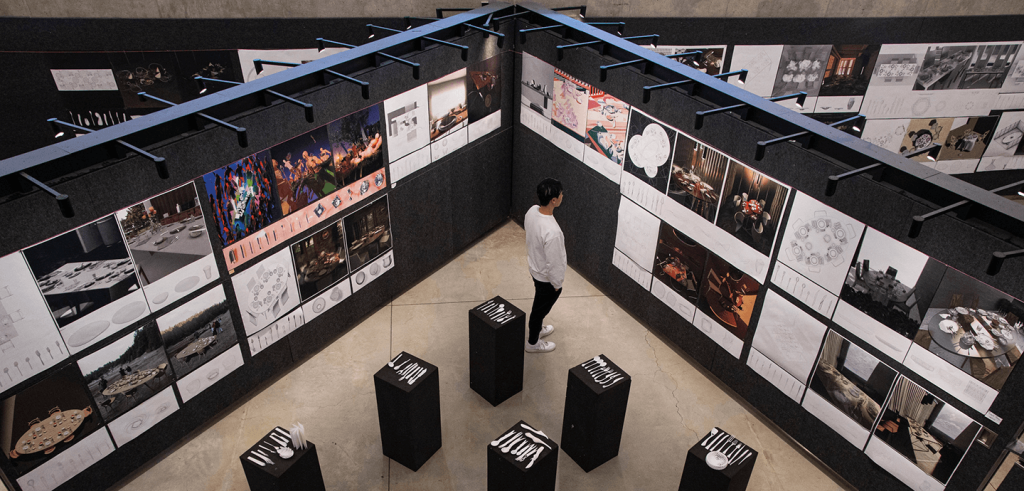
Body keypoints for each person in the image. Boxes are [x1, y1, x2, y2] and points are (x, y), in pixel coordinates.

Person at [524, 178, 566, 353]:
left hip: (535, 268)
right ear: (553, 200)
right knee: (539, 310)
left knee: (539, 305)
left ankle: (538, 328)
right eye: (561, 193)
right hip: (546, 279)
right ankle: (533, 343)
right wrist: (557, 285)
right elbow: (555, 262)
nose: (563, 195)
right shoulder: (553, 232)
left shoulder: (532, 211)